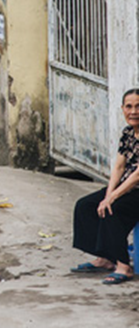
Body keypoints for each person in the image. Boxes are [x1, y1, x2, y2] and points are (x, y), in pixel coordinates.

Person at [71, 88, 139, 284]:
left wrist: (113, 198)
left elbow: (137, 175)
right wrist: (108, 194)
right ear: (122, 109)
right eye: (129, 107)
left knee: (113, 210)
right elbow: (119, 166)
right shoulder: (127, 133)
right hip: (124, 186)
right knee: (85, 205)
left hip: (136, 189)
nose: (133, 111)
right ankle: (105, 258)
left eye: (138, 106)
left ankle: (124, 267)